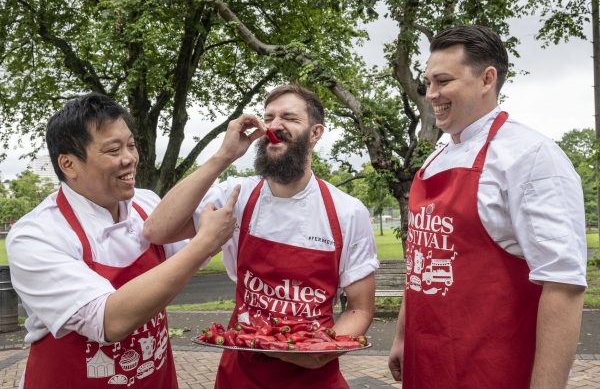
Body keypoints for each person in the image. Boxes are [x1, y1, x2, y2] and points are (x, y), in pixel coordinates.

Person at [387, 25, 587, 389]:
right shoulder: (436, 158)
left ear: (487, 79)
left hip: (492, 371)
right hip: (426, 363)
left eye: (442, 81)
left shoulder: (531, 157)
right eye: (428, 82)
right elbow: (420, 261)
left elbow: (564, 284)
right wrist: (402, 335)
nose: (431, 94)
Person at [144, 84, 379, 389]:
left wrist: (322, 351)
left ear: (315, 133)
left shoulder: (347, 211)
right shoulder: (236, 196)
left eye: (290, 118)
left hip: (315, 375)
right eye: (269, 117)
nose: (276, 125)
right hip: (241, 374)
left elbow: (359, 308)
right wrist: (223, 156)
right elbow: (157, 230)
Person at [6, 93, 239, 388]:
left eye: (131, 145)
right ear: (68, 164)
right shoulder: (36, 235)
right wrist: (204, 242)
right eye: (113, 150)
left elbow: (198, 235)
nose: (129, 158)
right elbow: (108, 321)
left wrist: (227, 161)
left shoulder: (147, 204)